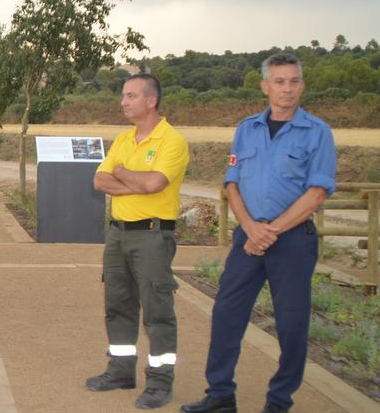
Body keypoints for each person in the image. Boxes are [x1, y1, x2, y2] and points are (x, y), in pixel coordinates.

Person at [182, 54, 336, 413]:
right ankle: (220, 394)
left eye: (294, 81)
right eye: (279, 82)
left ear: (302, 85)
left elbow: (317, 192)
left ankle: (279, 401)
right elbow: (232, 184)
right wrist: (252, 228)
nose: (288, 89)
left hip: (293, 240)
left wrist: (273, 230)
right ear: (265, 86)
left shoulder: (317, 132)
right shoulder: (246, 128)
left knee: (291, 323)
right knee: (226, 313)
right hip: (248, 237)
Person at [85, 74, 189, 410]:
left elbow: (156, 182)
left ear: (151, 100)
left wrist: (124, 175)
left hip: (153, 236)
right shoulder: (123, 140)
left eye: (131, 95)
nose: (123, 101)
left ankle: (159, 383)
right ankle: (120, 371)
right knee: (117, 306)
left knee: (158, 312)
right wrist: (136, 183)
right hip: (118, 234)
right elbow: (100, 180)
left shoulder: (171, 141)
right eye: (123, 95)